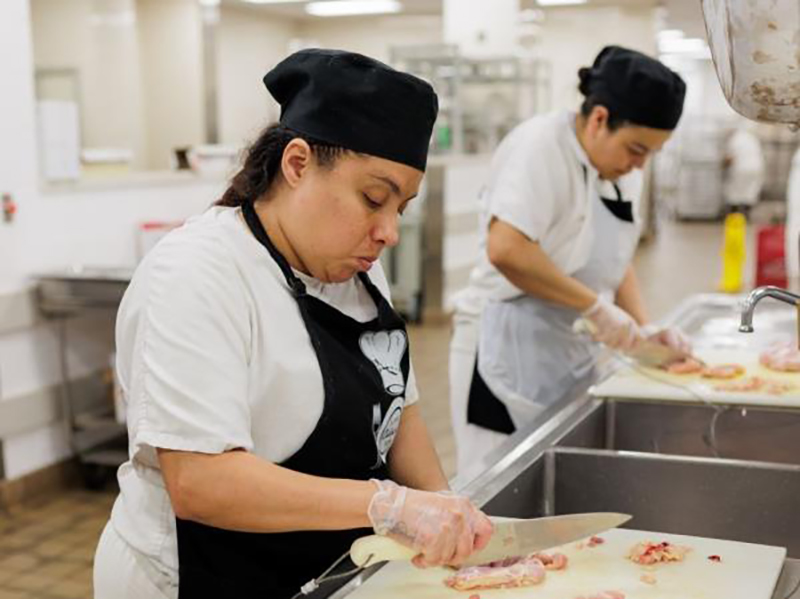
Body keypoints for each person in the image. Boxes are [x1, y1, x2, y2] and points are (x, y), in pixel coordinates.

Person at [93, 48, 493, 599]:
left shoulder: (356, 270)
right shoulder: (197, 273)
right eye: (373, 198)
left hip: (311, 571)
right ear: (297, 163)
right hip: (194, 577)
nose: (389, 232)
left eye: (400, 208)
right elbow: (201, 481)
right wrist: (389, 505)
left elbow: (400, 411)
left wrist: (443, 509)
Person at [449, 46, 690, 475]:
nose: (639, 165)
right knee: (497, 480)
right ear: (599, 119)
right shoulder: (540, 147)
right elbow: (507, 249)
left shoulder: (620, 172)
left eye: (650, 154)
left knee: (557, 473)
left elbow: (615, 258)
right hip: (502, 350)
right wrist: (596, 307)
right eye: (636, 148)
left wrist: (644, 328)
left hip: (567, 349)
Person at [722, 119, 764, 218]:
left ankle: (734, 217)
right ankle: (745, 216)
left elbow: (730, 158)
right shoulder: (752, 138)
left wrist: (722, 165)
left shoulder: (736, 138)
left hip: (741, 169)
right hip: (756, 169)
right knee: (750, 192)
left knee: (735, 192)